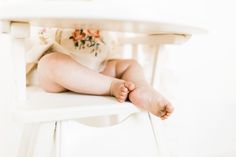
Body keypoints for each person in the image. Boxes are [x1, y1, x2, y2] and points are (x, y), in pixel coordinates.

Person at [27, 28, 174, 120]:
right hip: (59, 76)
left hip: (98, 69)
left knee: (131, 64)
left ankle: (141, 88)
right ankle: (111, 86)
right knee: (50, 63)